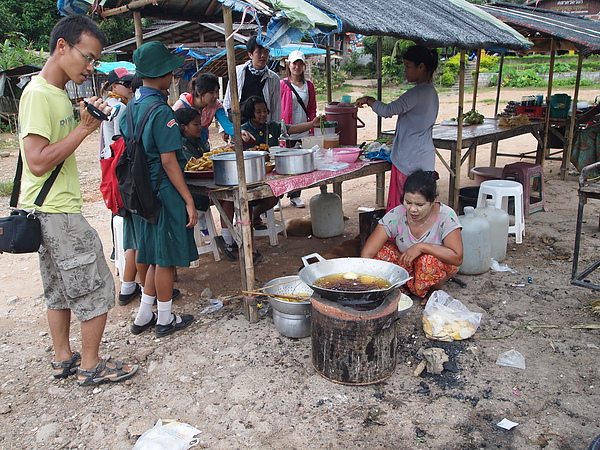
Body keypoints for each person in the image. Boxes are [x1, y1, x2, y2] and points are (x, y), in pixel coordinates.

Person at [17, 15, 137, 386]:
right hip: (58, 211)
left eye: (95, 61)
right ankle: (91, 364)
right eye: (87, 57)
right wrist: (85, 129)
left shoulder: (56, 93)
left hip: (43, 209)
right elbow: (36, 161)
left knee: (58, 288)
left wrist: (86, 117)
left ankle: (63, 358)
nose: (90, 67)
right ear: (62, 47)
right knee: (98, 284)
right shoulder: (39, 94)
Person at [122, 41, 197, 337]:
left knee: (149, 252)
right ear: (163, 73)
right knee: (164, 257)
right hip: (163, 191)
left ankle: (143, 315)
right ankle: (165, 319)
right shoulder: (161, 110)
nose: (173, 74)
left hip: (139, 192)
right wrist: (188, 200)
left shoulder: (130, 108)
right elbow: (169, 162)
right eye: (170, 70)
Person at [173, 73, 250, 260]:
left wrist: (240, 133)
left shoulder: (215, 106)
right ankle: (216, 235)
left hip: (201, 143)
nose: (216, 96)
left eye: (217, 92)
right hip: (184, 151)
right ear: (199, 92)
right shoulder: (181, 107)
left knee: (227, 192)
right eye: (212, 93)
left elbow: (228, 126)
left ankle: (226, 239)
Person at [355, 45, 439, 211]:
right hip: (424, 158)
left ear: (421, 67)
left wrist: (369, 100)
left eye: (408, 66)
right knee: (420, 209)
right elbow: (416, 124)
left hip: (409, 160)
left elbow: (387, 111)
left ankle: (399, 236)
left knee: (405, 209)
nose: (405, 71)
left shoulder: (417, 93)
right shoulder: (431, 92)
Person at [361, 170, 463, 305]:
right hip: (406, 263)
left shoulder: (446, 216)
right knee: (382, 254)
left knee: (428, 261)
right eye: (408, 202)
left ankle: (433, 291)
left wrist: (422, 247)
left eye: (420, 205)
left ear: (433, 201)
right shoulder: (396, 214)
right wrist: (367, 283)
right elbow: (367, 254)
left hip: (435, 266)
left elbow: (457, 257)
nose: (412, 209)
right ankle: (402, 287)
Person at [241, 95, 321, 231]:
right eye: (258, 112)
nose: (263, 114)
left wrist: (312, 124)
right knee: (248, 195)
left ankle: (254, 215)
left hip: (271, 171)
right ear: (250, 112)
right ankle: (252, 218)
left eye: (265, 111)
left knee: (274, 196)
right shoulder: (242, 130)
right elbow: (232, 146)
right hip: (250, 173)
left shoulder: (272, 126)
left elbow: (293, 129)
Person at [98, 67, 143, 306]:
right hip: (124, 172)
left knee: (130, 228)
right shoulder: (122, 107)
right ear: (114, 85)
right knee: (138, 232)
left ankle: (128, 286)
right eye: (125, 83)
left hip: (112, 171)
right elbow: (121, 141)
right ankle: (146, 289)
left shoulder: (108, 104)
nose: (129, 87)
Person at [279, 50, 317, 209]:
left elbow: (313, 108)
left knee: (300, 164)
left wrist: (313, 129)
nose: (297, 66)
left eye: (300, 63)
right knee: (282, 164)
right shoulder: (282, 84)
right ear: (289, 65)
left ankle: (295, 195)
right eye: (295, 63)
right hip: (287, 131)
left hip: (304, 130)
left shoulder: (309, 85)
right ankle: (278, 197)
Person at [222, 35, 281, 128]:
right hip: (240, 126)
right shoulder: (237, 72)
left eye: (266, 52)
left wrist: (275, 130)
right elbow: (228, 101)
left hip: (262, 126)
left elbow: (275, 108)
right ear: (250, 54)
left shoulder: (274, 78)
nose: (263, 56)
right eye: (259, 52)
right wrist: (224, 128)